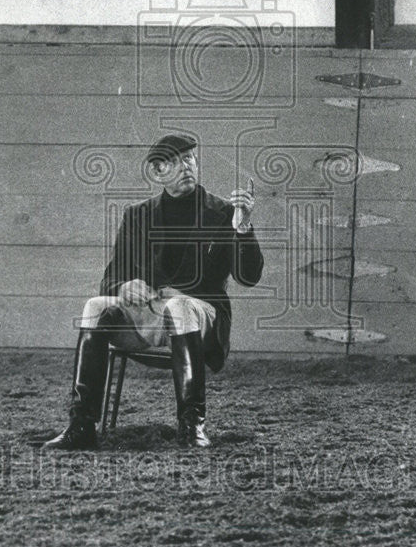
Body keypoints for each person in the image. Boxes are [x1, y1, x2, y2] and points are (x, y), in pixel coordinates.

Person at [45, 133, 264, 450]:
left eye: (189, 159)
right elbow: (111, 278)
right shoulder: (138, 216)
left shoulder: (222, 213)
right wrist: (124, 285)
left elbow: (249, 276)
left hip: (199, 316)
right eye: (174, 162)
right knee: (95, 306)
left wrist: (243, 230)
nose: (185, 167)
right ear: (159, 171)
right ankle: (81, 426)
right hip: (150, 316)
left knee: (179, 306)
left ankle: (192, 427)